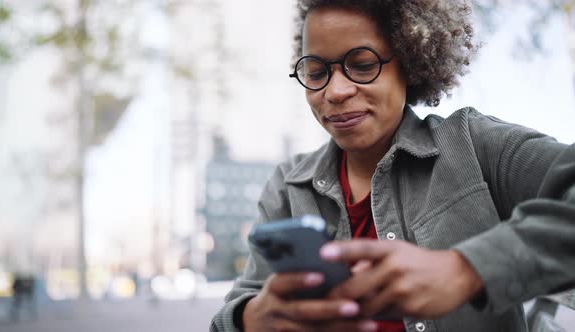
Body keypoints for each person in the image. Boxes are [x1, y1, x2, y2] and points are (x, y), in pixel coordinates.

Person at [211, 1, 575, 331]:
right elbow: (234, 312)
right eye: (317, 71)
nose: (335, 92)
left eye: (363, 65)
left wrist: (467, 269)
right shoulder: (287, 186)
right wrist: (253, 319)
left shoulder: (476, 146)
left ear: (410, 62)